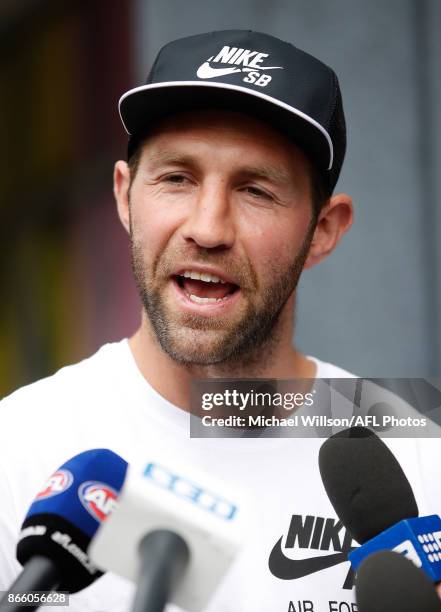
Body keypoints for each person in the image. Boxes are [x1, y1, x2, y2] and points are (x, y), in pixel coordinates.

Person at [0, 30, 439, 612]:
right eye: (176, 178)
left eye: (256, 190)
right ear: (126, 197)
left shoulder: (417, 456)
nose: (208, 228)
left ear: (324, 230)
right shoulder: (19, 448)